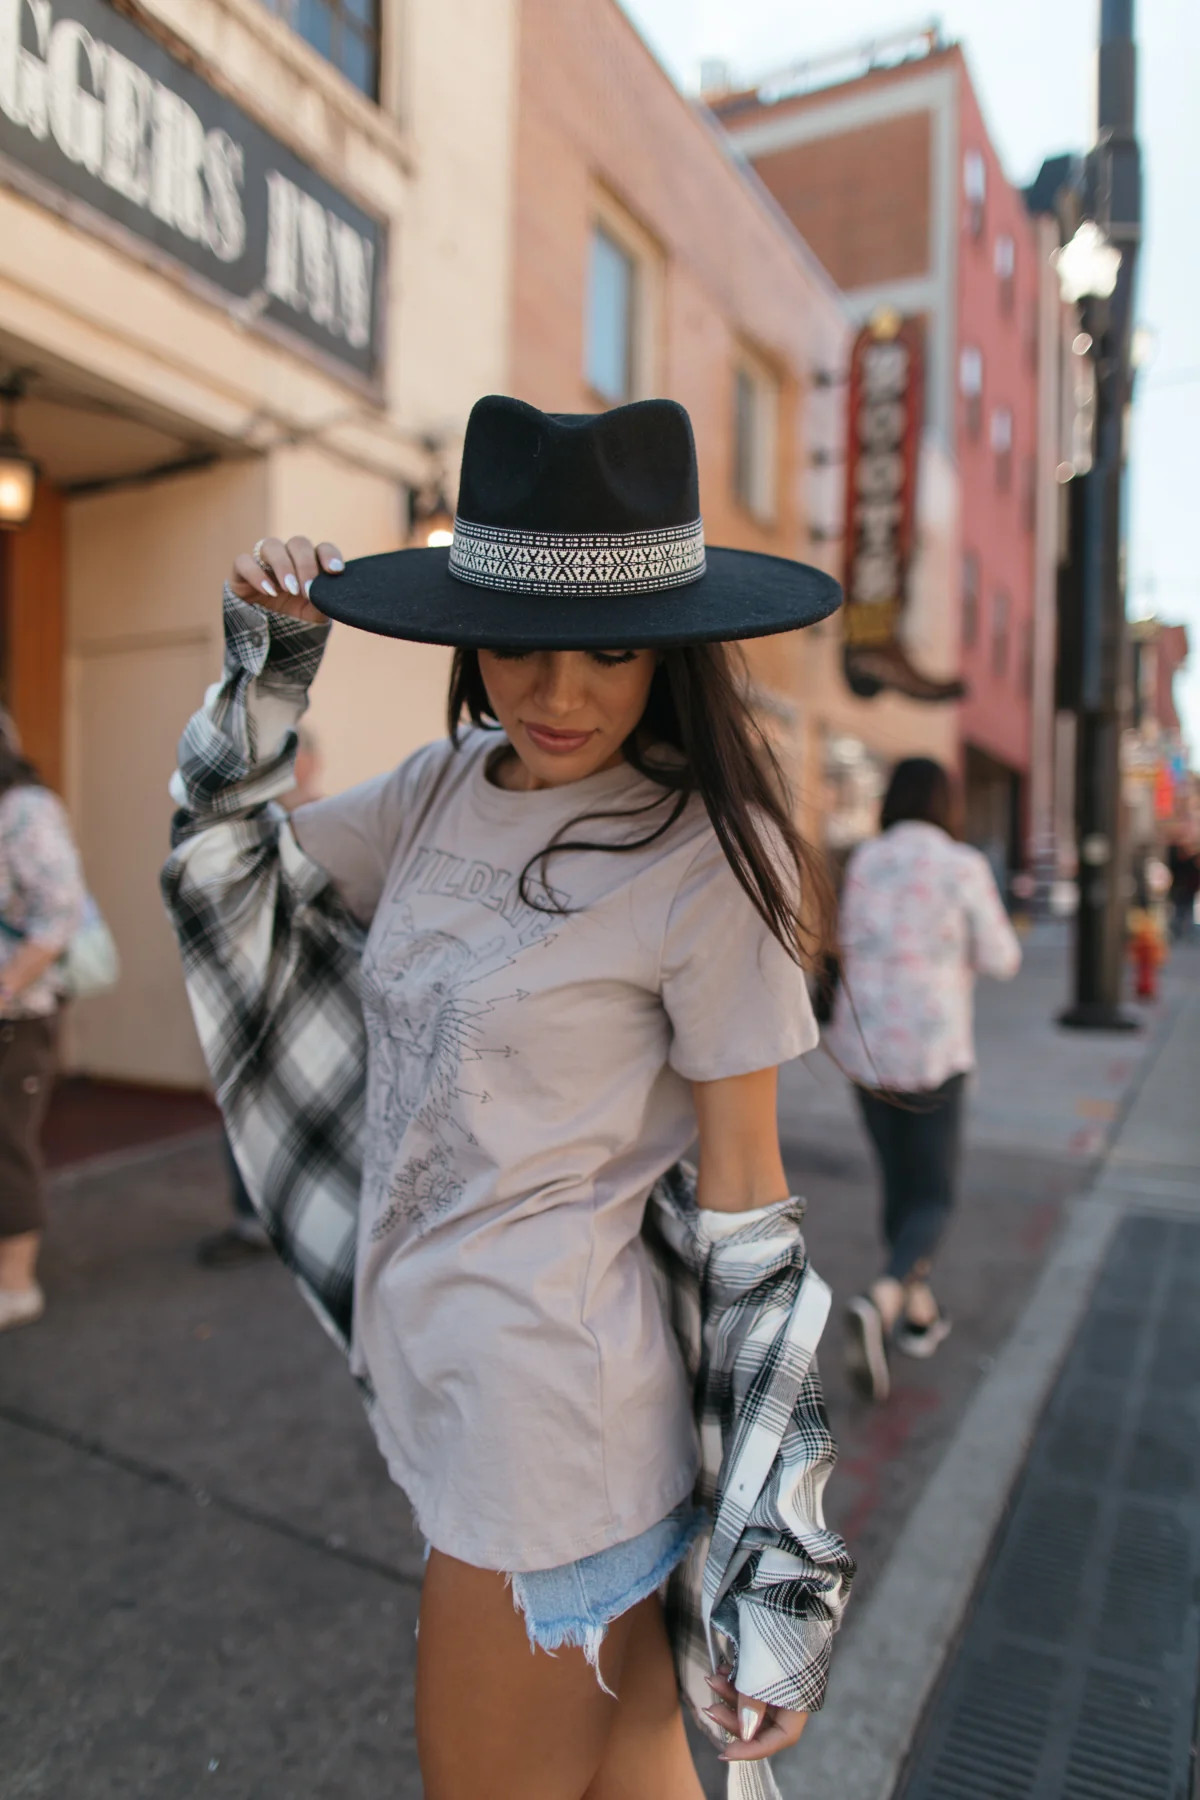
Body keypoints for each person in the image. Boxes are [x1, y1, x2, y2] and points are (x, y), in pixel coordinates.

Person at [163, 396, 855, 1799]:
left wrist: (778, 1556)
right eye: (522, 645)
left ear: (673, 648)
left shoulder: (709, 862)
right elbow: (225, 864)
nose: (561, 695)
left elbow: (750, 1221)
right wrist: (273, 661)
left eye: (612, 649)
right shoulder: (442, 789)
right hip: (464, 1391)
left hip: (545, 1446)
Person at [825, 756, 1021, 1403]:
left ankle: (917, 1316)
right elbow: (1001, 957)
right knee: (933, 1197)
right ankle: (885, 1296)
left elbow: (842, 942)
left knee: (900, 1185)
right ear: (947, 804)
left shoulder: (865, 861)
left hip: (864, 1050)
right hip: (932, 1051)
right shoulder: (959, 865)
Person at [196, 725, 324, 1269]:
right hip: (248, 992)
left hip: (310, 994)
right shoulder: (238, 829)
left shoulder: (333, 820)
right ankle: (253, 1219)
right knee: (242, 1106)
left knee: (311, 1114)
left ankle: (312, 1223)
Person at [0, 709, 86, 1333]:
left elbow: (58, 918)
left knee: (6, 1146)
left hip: (17, 1016)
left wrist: (6, 985)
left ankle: (15, 1284)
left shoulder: (26, 811)